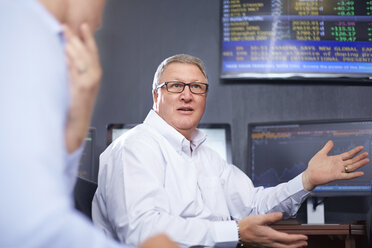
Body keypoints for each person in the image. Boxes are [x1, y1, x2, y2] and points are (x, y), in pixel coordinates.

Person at [92, 54, 370, 248]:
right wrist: (235, 232)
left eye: (197, 87)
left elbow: (252, 205)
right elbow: (142, 233)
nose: (187, 95)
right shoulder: (134, 148)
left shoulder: (207, 157)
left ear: (204, 97)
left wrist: (306, 180)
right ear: (156, 95)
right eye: (176, 86)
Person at [0, 1, 177, 248]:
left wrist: (76, 122)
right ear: (156, 95)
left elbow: (47, 196)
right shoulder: (28, 34)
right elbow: (27, 229)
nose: (99, 20)